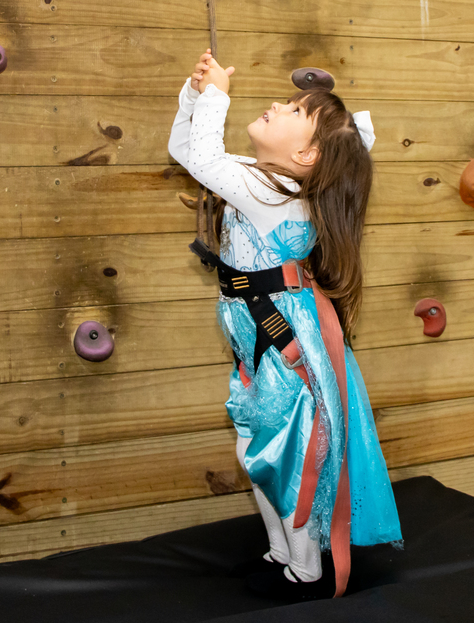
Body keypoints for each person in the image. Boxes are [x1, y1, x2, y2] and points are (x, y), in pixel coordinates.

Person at [167, 49, 404, 602]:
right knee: (255, 449)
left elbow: (203, 158)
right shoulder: (263, 182)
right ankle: (282, 553)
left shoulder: (272, 195)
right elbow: (187, 151)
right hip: (259, 338)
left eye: (295, 109)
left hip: (279, 342)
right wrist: (194, 96)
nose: (277, 104)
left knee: (285, 456)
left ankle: (305, 570)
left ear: (306, 154)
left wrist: (216, 94)